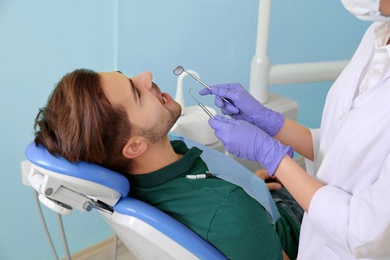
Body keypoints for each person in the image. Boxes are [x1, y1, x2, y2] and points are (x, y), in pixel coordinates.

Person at [33, 69, 303, 259]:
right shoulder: (229, 210)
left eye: (129, 77)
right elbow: (231, 218)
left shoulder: (146, 176)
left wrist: (250, 189)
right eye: (136, 92)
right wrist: (269, 173)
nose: (146, 76)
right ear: (135, 146)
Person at [199, 0, 390, 259]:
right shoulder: (378, 34)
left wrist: (273, 157)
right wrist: (269, 122)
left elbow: (365, 232)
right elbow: (346, 147)